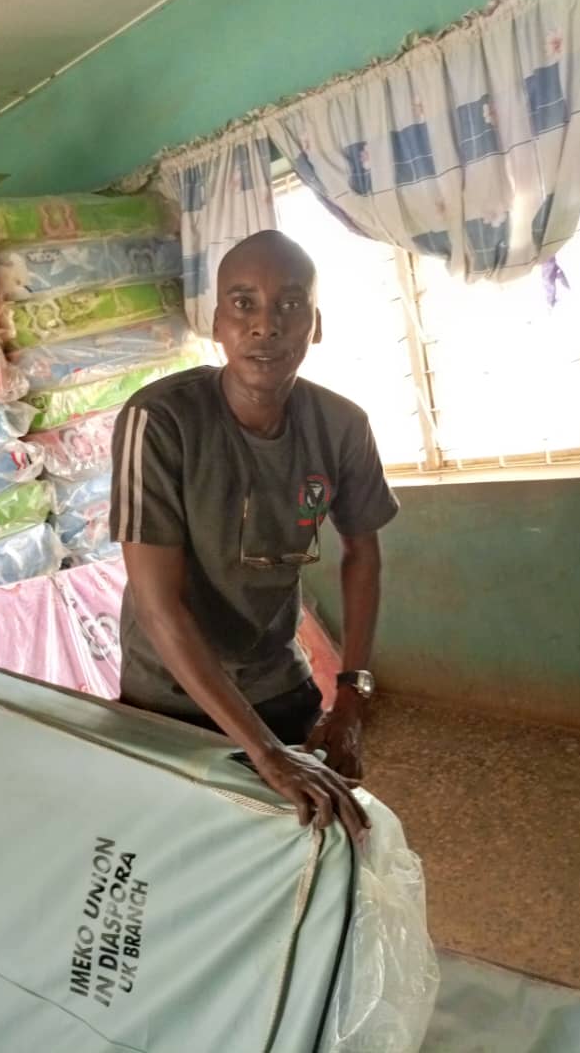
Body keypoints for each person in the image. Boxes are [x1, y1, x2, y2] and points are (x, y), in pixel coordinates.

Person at [109, 230, 398, 839]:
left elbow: (363, 555)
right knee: (182, 850)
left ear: (316, 325)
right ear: (217, 323)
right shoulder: (158, 420)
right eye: (243, 303)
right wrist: (265, 754)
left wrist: (351, 697)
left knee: (310, 843)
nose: (266, 325)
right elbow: (159, 607)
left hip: (278, 679)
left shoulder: (342, 426)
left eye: (290, 304)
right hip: (171, 697)